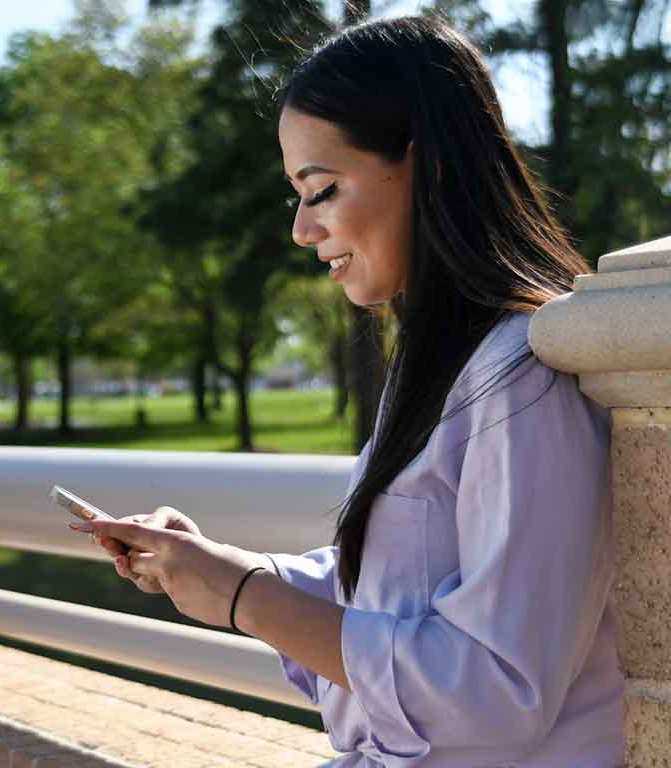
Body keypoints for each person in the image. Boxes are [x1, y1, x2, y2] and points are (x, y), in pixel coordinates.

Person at [70, 15, 625, 767]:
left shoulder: (523, 379)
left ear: (428, 170)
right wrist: (218, 568)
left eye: (322, 190)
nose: (301, 229)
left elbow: (498, 689)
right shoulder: (443, 366)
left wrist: (247, 598)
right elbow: (404, 594)